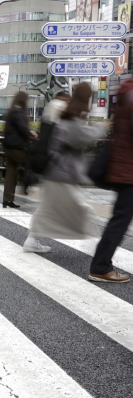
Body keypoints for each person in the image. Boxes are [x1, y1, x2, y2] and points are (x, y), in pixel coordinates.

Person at [22, 82, 103, 254]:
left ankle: (31, 240)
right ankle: (98, 245)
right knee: (81, 208)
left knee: (47, 209)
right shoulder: (71, 117)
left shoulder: (66, 113)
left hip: (54, 171)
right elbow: (81, 137)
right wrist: (99, 128)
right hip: (63, 173)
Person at [88, 80, 133, 283]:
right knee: (120, 221)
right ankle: (100, 267)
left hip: (125, 167)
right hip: (128, 169)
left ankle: (100, 266)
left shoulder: (127, 90)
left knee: (120, 219)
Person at [2, 92, 36, 208]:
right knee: (30, 161)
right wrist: (32, 135)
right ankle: (26, 182)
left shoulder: (12, 111)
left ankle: (7, 200)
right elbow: (23, 129)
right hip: (16, 148)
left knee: (11, 173)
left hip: (9, 148)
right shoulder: (18, 112)